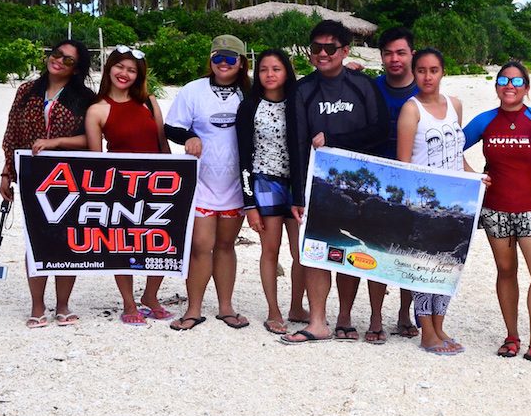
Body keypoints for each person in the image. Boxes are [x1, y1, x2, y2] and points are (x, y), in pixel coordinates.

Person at [281, 19, 388, 344]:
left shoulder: (363, 85)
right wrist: (297, 194)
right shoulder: (303, 89)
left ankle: (344, 316)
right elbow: (297, 142)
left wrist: (335, 140)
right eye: (317, 48)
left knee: (351, 248)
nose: (323, 53)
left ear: (345, 50)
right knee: (315, 251)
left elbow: (380, 131)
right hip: (316, 185)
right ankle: (317, 321)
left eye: (330, 48)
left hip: (359, 185)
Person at [463, 61, 531, 365]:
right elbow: (449, 145)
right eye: (504, 80)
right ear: (496, 86)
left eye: (518, 81)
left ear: (527, 88)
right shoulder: (486, 120)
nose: (510, 85)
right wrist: (471, 174)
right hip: (495, 210)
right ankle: (511, 336)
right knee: (506, 272)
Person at [0, 39, 97, 328]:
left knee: (68, 241)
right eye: (57, 55)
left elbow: (92, 141)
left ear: (76, 68)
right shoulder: (26, 91)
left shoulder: (84, 98)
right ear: (49, 56)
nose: (60, 62)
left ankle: (64, 305)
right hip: (33, 175)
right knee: (36, 240)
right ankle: (37, 305)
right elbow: (12, 134)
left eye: (69, 60)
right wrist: (7, 173)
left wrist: (56, 142)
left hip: (70, 175)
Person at [163, 34, 252, 331]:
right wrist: (189, 137)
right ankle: (194, 309)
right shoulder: (193, 90)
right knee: (201, 246)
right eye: (218, 58)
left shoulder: (250, 93)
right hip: (201, 182)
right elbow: (172, 127)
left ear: (241, 63)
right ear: (210, 60)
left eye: (230, 58)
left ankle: (226, 307)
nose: (223, 64)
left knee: (226, 245)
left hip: (236, 184)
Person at [395, 48, 477, 355]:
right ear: (414, 73)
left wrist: (476, 176)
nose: (427, 77)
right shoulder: (411, 110)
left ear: (443, 72)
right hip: (424, 205)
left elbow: (457, 154)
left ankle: (440, 326)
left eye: (433, 70)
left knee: (449, 265)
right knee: (423, 268)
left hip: (456, 202)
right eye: (421, 71)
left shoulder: (455, 105)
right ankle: (426, 331)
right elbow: (404, 163)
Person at [85, 45, 172, 326]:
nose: (125, 74)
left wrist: (174, 176)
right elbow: (95, 157)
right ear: (109, 68)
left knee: (159, 240)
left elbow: (163, 143)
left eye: (132, 70)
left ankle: (151, 296)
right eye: (120, 67)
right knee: (123, 244)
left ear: (139, 75)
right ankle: (129, 302)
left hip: (156, 182)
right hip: (120, 185)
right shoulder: (97, 109)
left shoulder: (149, 101)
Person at [236, 49, 310, 335]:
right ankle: (273, 311)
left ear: (286, 72)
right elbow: (243, 155)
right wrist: (249, 203)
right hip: (264, 183)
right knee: (270, 250)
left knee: (300, 251)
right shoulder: (250, 106)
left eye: (276, 69)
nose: (269, 74)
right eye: (264, 69)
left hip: (296, 183)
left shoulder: (298, 102)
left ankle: (296, 305)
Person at [371, 27, 419, 341]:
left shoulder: (424, 92)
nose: (394, 59)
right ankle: (375, 317)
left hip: (413, 184)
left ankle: (404, 313)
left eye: (400, 52)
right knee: (376, 251)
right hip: (376, 181)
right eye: (388, 53)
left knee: (407, 252)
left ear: (411, 54)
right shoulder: (369, 88)